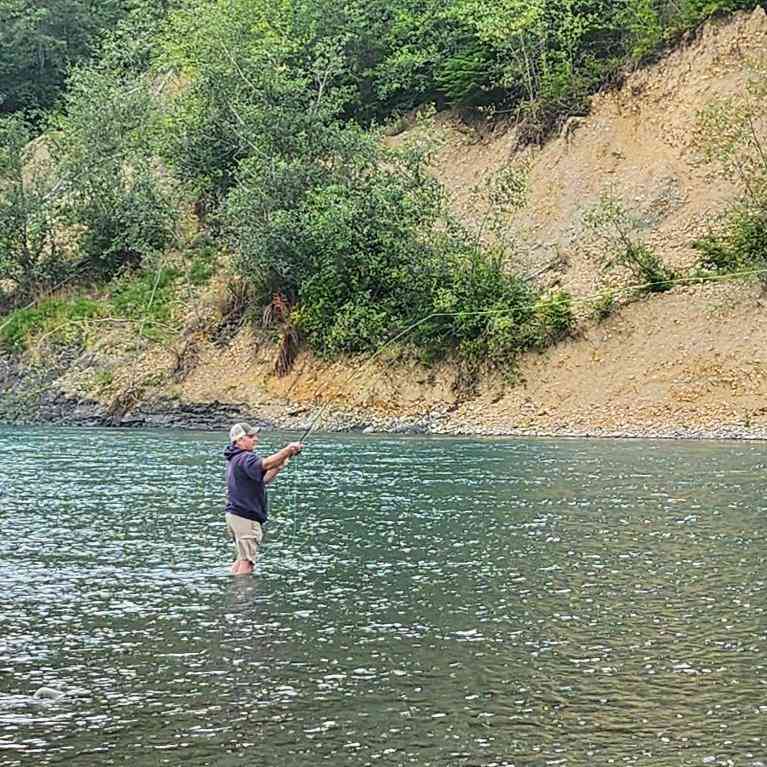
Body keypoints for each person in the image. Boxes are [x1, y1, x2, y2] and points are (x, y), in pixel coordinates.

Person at [224, 423, 303, 576]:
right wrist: (287, 450)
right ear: (239, 440)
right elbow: (265, 464)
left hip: (236, 516)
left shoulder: (236, 459)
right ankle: (244, 596)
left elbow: (264, 479)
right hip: (245, 517)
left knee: (242, 558)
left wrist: (280, 464)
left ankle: (236, 588)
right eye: (251, 436)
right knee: (248, 563)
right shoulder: (245, 457)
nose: (256, 439)